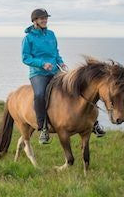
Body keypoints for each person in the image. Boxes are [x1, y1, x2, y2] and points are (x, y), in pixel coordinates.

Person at [22, 9, 105, 144]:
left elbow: (56, 53)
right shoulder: (28, 38)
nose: (45, 20)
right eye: (42, 18)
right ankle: (43, 128)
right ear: (35, 21)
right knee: (39, 94)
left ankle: (93, 122)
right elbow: (26, 58)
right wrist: (42, 64)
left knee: (76, 87)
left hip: (55, 71)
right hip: (38, 73)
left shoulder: (51, 34)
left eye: (46, 18)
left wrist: (61, 62)